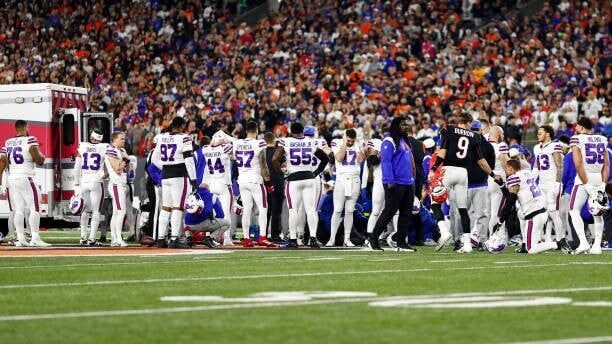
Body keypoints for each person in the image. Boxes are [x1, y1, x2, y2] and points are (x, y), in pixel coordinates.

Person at [429, 113, 501, 253]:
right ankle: (467, 244)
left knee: (435, 201)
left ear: (458, 121)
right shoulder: (474, 136)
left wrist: (433, 169)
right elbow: (481, 161)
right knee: (463, 210)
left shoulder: (448, 129)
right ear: (468, 122)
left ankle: (444, 232)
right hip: (463, 174)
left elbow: (442, 153)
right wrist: (492, 174)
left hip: (448, 170)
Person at [273, 122, 329, 247]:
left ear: (291, 131)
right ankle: (313, 239)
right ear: (302, 131)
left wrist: (282, 174)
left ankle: (293, 239)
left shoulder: (286, 142)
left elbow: (274, 159)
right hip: (309, 179)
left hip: (293, 179)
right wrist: (316, 173)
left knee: (293, 210)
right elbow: (325, 158)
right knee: (311, 210)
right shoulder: (310, 142)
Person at [367, 117, 416, 252]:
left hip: (407, 182)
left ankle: (401, 242)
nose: (405, 126)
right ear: (396, 126)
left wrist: (412, 178)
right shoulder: (389, 140)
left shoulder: (403, 140)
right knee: (389, 212)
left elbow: (408, 161)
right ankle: (373, 239)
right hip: (395, 182)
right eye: (402, 124)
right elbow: (386, 161)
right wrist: (390, 181)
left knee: (406, 213)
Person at [493, 159, 558, 254]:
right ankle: (527, 243)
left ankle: (556, 244)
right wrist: (502, 185)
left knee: (531, 249)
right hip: (541, 211)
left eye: (506, 168)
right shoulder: (526, 173)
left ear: (511, 169)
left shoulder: (514, 177)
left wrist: (500, 221)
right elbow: (511, 195)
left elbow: (510, 201)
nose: (505, 171)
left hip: (534, 214)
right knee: (521, 213)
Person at [0, 120, 48, 247]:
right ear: (26, 127)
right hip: (26, 177)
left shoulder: (8, 142)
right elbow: (39, 160)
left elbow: (2, 162)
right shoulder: (30, 140)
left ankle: (20, 238)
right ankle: (35, 238)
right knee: (35, 208)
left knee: (19, 210)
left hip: (12, 179)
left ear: (16, 129)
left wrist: (0, 183)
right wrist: (42, 157)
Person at [154, 117, 197, 249]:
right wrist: (193, 179)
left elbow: (155, 159)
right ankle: (174, 239)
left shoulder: (161, 137)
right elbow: (189, 160)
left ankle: (161, 238)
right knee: (178, 207)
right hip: (179, 175)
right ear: (182, 126)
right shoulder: (184, 138)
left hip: (165, 175)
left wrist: (166, 167)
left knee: (166, 207)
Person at [568, 117, 609, 255]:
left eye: (577, 126)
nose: (575, 129)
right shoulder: (602, 139)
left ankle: (583, 242)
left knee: (574, 210)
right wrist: (603, 183)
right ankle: (597, 246)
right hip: (598, 177)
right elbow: (607, 165)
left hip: (583, 178)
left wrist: (586, 184)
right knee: (598, 213)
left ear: (581, 127)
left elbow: (578, 164)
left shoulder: (577, 139)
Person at [233, 121, 275, 247]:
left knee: (247, 209)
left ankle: (246, 238)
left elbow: (234, 158)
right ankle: (262, 237)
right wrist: (268, 183)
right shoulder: (259, 143)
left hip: (242, 180)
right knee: (263, 209)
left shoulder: (238, 143)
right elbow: (263, 164)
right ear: (256, 131)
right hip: (255, 180)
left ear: (246, 131)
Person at [532, 125, 570, 250]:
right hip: (541, 185)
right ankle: (537, 239)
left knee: (554, 213)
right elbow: (537, 167)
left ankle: (561, 240)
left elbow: (560, 166)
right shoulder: (539, 148)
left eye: (540, 133)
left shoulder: (554, 146)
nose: (538, 135)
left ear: (547, 134)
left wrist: (557, 183)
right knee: (540, 213)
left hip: (551, 184)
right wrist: (531, 181)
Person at [195, 135, 234, 245]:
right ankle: (226, 238)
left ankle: (209, 237)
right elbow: (232, 148)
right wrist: (224, 140)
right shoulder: (224, 148)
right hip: (223, 184)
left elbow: (208, 146)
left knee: (210, 214)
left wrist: (215, 143)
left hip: (211, 184)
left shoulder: (205, 149)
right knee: (226, 213)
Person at [328, 129, 365, 247]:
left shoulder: (358, 144)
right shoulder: (336, 142)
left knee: (350, 210)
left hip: (354, 179)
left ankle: (347, 239)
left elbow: (360, 160)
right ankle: (332, 238)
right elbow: (339, 158)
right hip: (341, 179)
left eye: (351, 141)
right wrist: (344, 144)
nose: (350, 143)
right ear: (345, 137)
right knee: (338, 210)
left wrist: (358, 146)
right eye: (348, 140)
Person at [74, 129, 107, 246]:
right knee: (96, 211)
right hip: (96, 180)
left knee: (85, 209)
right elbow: (107, 165)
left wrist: (76, 184)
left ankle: (83, 237)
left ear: (91, 137)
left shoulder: (83, 146)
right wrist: (105, 175)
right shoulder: (104, 147)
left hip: (84, 180)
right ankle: (92, 238)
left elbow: (77, 167)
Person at [104, 132, 132, 247]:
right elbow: (117, 169)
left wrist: (126, 161)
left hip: (121, 183)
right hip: (116, 184)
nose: (123, 141)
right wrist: (125, 160)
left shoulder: (123, 151)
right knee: (121, 211)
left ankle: (114, 238)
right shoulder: (111, 150)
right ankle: (118, 238)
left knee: (117, 212)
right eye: (121, 139)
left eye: (124, 139)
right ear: (114, 140)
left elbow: (128, 169)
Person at [486, 126, 510, 237]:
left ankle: (481, 238)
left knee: (487, 213)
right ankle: (494, 238)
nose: (504, 136)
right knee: (497, 213)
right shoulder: (502, 145)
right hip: (498, 180)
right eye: (503, 133)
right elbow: (505, 162)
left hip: (486, 180)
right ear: (498, 134)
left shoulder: (484, 145)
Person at [264, 132, 284, 243]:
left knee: (266, 210)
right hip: (277, 182)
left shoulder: (261, 152)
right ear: (274, 139)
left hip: (265, 183)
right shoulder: (279, 152)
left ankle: (263, 234)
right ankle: (275, 235)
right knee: (277, 210)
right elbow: (284, 167)